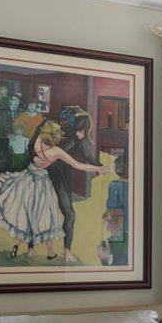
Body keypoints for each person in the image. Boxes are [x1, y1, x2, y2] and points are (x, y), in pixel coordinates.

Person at [0, 120, 99, 260]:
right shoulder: (56, 151)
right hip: (42, 181)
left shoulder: (37, 141)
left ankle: (25, 248)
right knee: (46, 215)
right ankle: (49, 252)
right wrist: (98, 168)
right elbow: (77, 165)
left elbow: (31, 149)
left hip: (28, 177)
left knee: (27, 212)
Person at [46, 108, 108, 256]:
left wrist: (100, 167)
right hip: (48, 173)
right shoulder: (59, 134)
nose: (82, 133)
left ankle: (67, 250)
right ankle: (34, 248)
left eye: (84, 130)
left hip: (63, 176)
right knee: (45, 210)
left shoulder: (80, 140)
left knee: (69, 214)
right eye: (80, 129)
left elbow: (88, 157)